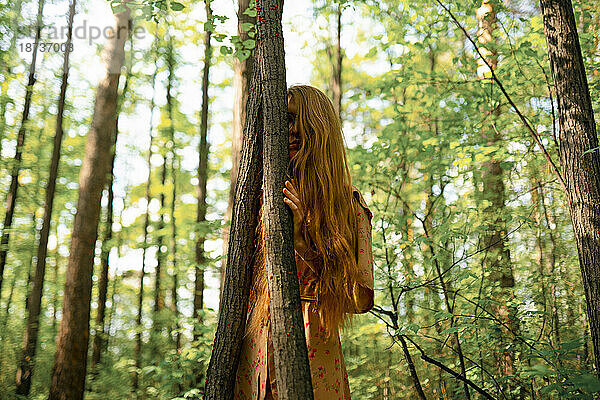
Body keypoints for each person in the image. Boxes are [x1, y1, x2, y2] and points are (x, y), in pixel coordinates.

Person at [233, 85, 374, 400]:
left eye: (299, 120)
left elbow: (361, 298)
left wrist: (301, 239)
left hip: (313, 349)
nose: (291, 130)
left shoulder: (347, 205)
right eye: (284, 120)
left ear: (319, 127)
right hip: (254, 351)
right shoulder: (258, 197)